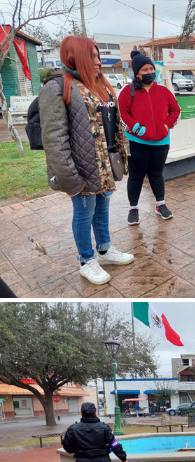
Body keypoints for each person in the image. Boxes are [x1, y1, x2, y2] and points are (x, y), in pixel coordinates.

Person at [39, 36, 134, 285]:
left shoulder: (96, 84)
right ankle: (86, 260)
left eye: (98, 56)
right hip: (80, 169)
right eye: (91, 56)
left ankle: (104, 249)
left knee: (102, 209)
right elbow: (54, 139)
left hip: (103, 164)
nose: (98, 62)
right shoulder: (58, 87)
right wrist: (70, 178)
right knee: (84, 213)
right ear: (75, 56)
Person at [118, 50, 180, 225]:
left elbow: (175, 109)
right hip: (138, 142)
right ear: (137, 73)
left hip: (161, 142)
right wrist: (136, 128)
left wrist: (167, 124)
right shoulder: (128, 92)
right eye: (144, 70)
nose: (149, 73)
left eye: (151, 69)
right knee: (136, 176)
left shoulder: (163, 91)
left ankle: (160, 205)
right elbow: (123, 112)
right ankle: (133, 208)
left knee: (156, 174)